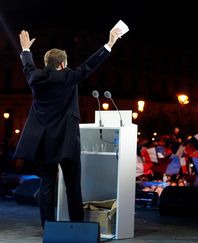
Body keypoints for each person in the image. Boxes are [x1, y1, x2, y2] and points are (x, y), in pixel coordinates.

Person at [13, 27, 123, 228]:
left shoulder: (35, 78)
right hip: (67, 140)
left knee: (46, 184)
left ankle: (48, 227)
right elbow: (90, 65)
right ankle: (77, 227)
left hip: (45, 142)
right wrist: (109, 44)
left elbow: (27, 66)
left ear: (46, 64)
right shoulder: (68, 77)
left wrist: (26, 49)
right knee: (73, 185)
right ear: (63, 64)